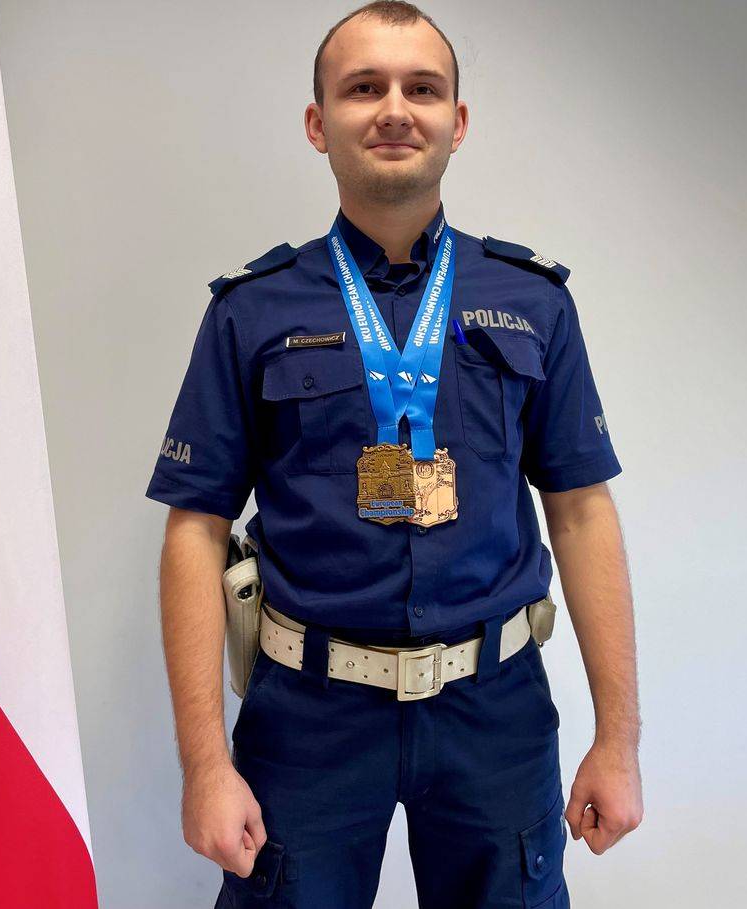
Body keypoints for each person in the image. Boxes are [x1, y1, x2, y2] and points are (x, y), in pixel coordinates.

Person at [144, 2, 642, 906]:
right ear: (318, 123)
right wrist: (205, 765)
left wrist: (620, 740)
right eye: (363, 88)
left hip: (495, 710)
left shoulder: (533, 302)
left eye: (422, 88)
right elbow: (195, 529)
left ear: (458, 120)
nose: (394, 109)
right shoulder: (251, 311)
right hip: (309, 719)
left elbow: (580, 513)